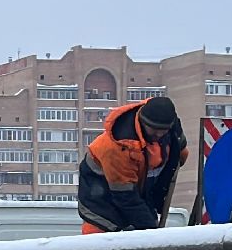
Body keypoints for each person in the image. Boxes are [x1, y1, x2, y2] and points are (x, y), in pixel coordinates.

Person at [78, 95, 189, 234]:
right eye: (154, 130)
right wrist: (151, 231)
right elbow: (125, 197)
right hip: (101, 196)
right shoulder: (118, 147)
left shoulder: (170, 125)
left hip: (137, 190)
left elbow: (180, 147)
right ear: (143, 122)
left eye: (163, 131)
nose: (159, 134)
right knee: (100, 238)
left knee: (146, 225)